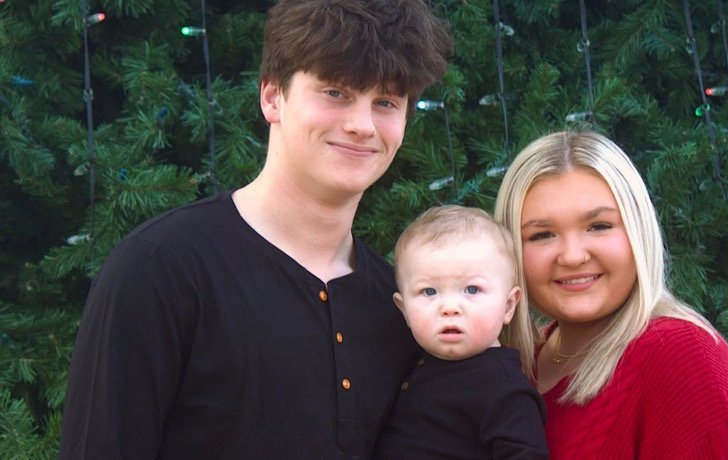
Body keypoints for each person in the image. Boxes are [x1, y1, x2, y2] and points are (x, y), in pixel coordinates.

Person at [59, 1, 452, 458]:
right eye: (335, 92)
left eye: (385, 102)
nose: (362, 126)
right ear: (271, 96)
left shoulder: (400, 304)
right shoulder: (161, 267)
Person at [494, 131, 728, 459]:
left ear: (638, 231)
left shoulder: (685, 360)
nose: (573, 256)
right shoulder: (512, 366)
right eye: (542, 235)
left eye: (599, 226)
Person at [373, 205, 548, 459]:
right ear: (404, 310)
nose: (450, 307)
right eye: (429, 292)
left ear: (509, 305)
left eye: (472, 290)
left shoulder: (504, 389)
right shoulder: (408, 363)